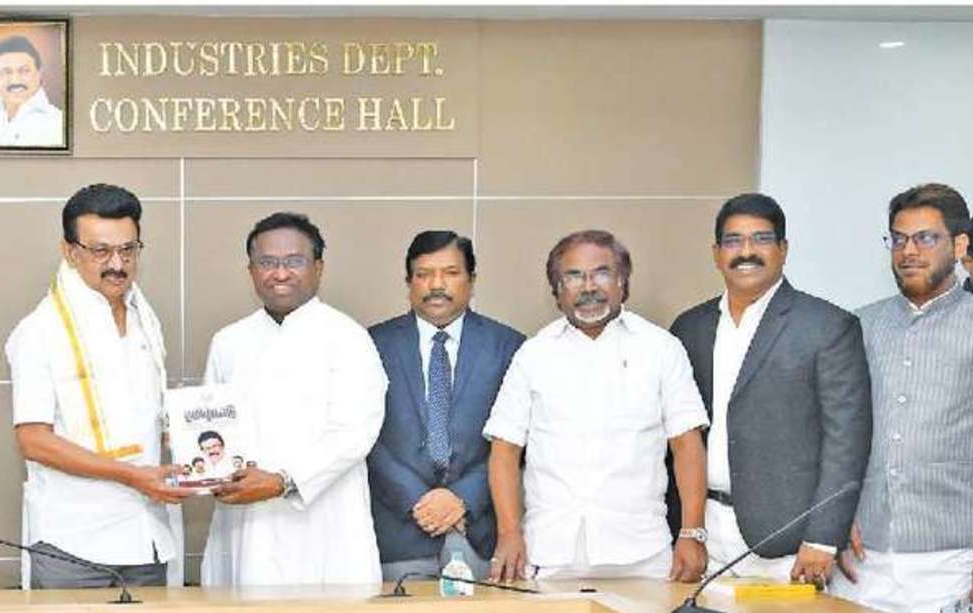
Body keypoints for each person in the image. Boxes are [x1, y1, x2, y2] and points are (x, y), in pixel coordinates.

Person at [823, 182, 973, 613]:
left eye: (925, 238)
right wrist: (835, 516)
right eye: (898, 239)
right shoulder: (859, 324)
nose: (909, 251)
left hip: (954, 560)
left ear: (959, 246)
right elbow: (837, 434)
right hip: (863, 560)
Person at [486, 230, 710, 583]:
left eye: (601, 273)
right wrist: (509, 532)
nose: (588, 286)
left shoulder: (661, 349)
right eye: (574, 276)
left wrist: (692, 533)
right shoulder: (533, 355)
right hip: (548, 553)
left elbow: (687, 445)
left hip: (643, 554)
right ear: (557, 290)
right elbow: (504, 450)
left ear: (623, 282)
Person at [669, 193, 871, 584]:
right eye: (733, 241)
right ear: (716, 254)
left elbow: (846, 441)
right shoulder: (689, 327)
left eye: (761, 239)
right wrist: (685, 528)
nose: (746, 251)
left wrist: (823, 537)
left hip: (788, 543)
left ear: (783, 249)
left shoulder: (827, 326)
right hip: (702, 532)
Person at [4, 183, 186, 589]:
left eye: (128, 249)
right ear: (70, 252)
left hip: (146, 539)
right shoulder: (39, 331)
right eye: (101, 251)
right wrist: (132, 475)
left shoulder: (145, 320)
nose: (117, 264)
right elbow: (33, 440)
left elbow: (150, 421)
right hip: (73, 545)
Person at [199, 212, 386, 586]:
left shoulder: (348, 338)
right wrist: (199, 459)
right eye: (267, 262)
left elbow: (354, 434)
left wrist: (282, 481)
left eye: (294, 261)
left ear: (319, 268)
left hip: (325, 526)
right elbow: (212, 428)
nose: (280, 273)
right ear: (251, 271)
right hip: (246, 528)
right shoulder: (228, 342)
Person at [365, 230, 524, 581]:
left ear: (472, 280)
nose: (437, 285)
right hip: (397, 535)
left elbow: (517, 442)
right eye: (423, 274)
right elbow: (363, 436)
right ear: (408, 282)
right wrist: (417, 500)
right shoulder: (370, 345)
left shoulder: (509, 346)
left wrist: (461, 498)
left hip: (480, 532)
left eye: (451, 273)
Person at [0, 35, 63, 147]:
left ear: (39, 74)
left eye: (24, 71)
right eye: (6, 72)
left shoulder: (59, 123)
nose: (15, 80)